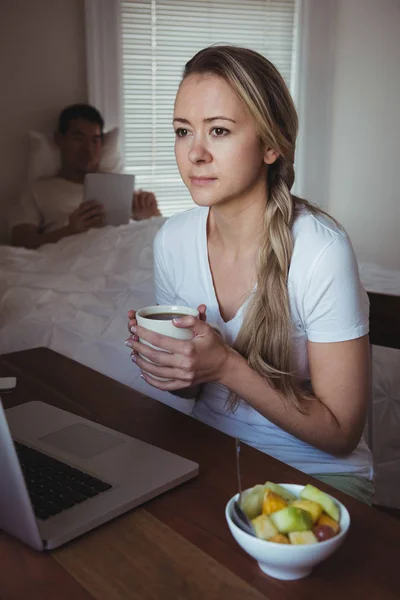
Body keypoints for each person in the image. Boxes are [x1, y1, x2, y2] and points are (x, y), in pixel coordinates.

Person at [125, 46, 373, 504]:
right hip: (208, 452)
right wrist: (175, 368)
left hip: (314, 473)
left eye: (218, 130)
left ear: (271, 145)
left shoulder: (321, 250)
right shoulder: (172, 241)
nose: (195, 153)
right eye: (183, 131)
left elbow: (341, 433)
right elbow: (191, 395)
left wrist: (225, 365)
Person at [10, 104, 161, 249]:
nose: (87, 149)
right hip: (71, 258)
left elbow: (158, 235)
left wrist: (150, 217)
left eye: (95, 140)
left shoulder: (118, 187)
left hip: (123, 252)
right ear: (60, 139)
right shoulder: (38, 191)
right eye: (78, 138)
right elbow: (21, 241)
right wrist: (69, 230)